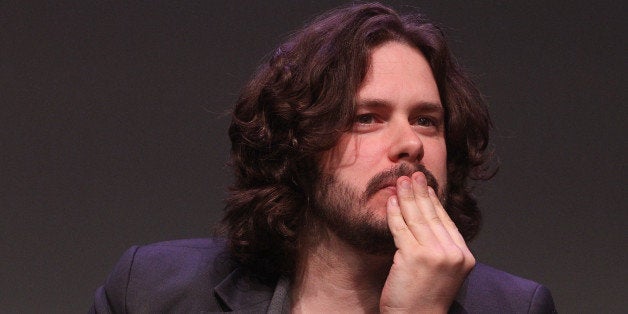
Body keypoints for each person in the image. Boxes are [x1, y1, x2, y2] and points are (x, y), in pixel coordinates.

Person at [91, 3, 556, 313]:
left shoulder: (517, 308)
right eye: (367, 118)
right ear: (297, 144)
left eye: (426, 121)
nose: (409, 144)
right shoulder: (151, 292)